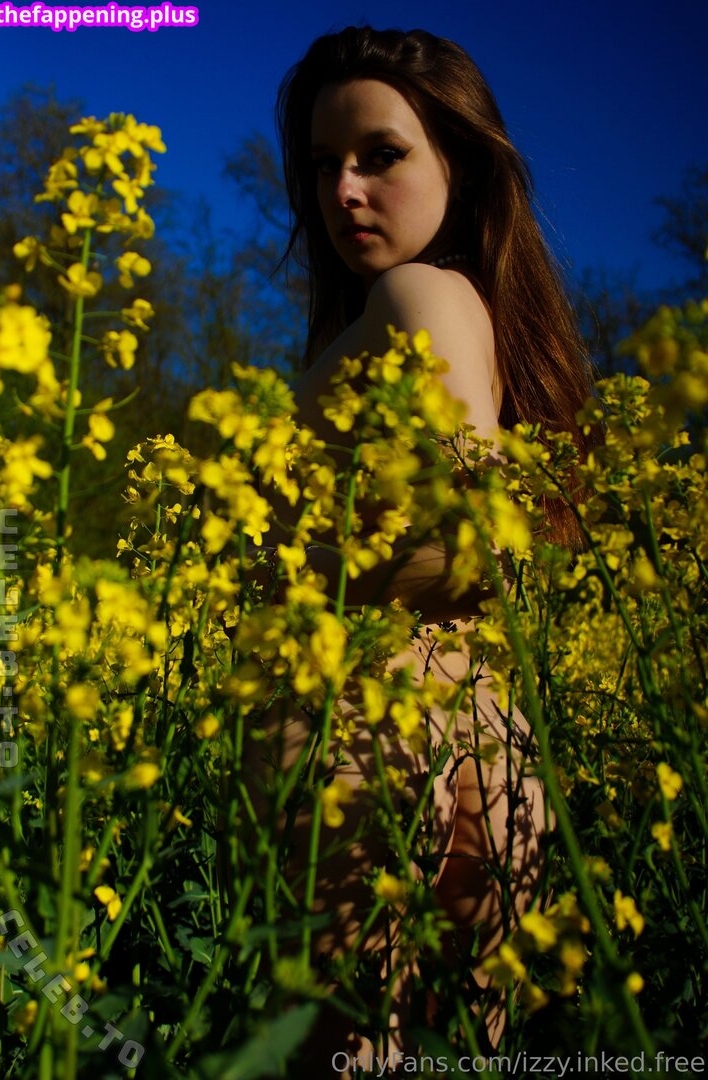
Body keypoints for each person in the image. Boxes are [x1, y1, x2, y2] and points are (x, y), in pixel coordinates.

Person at [250, 24, 595, 1062]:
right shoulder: (451, 314)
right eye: (323, 165)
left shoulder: (417, 295)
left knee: (344, 1052)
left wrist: (266, 587)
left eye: (381, 156)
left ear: (461, 165)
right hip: (482, 725)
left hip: (364, 728)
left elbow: (469, 541)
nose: (343, 191)